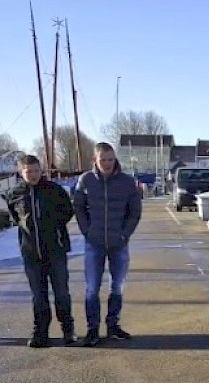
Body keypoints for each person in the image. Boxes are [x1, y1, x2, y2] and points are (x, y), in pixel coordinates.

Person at [73, 142, 142, 347]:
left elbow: (135, 212)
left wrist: (124, 235)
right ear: (95, 160)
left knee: (117, 288)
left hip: (118, 244)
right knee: (92, 289)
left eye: (111, 159)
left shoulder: (128, 182)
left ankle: (113, 326)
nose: (107, 163)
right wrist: (87, 231)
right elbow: (78, 207)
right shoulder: (85, 180)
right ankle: (92, 330)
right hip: (94, 244)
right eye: (103, 159)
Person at [6, 154, 76, 347]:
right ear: (21, 172)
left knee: (61, 292)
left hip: (55, 251)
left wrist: (53, 228)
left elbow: (67, 212)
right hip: (31, 253)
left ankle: (68, 330)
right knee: (38, 296)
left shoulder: (54, 190)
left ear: (41, 170)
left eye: (37, 170)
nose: (34, 175)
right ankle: (40, 333)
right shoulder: (15, 194)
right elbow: (16, 218)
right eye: (29, 172)